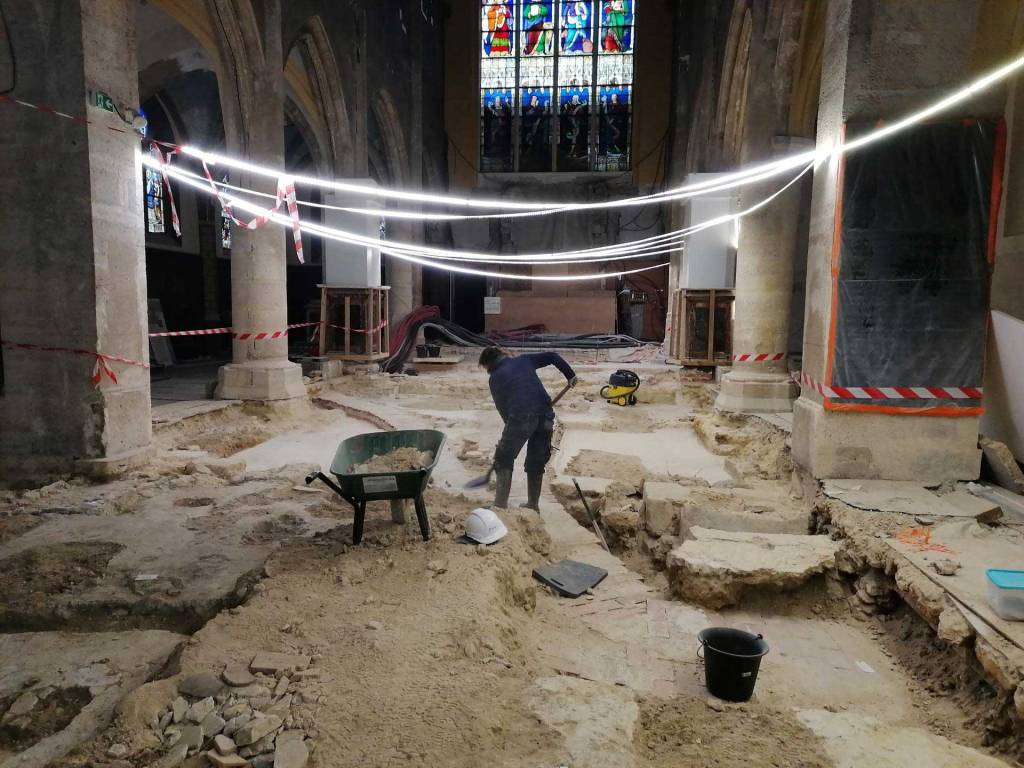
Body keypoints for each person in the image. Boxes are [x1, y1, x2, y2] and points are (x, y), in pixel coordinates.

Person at [479, 346, 577, 510]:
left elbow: (503, 409)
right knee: (536, 460)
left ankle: (500, 505)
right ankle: (533, 505)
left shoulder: (495, 378)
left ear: (488, 364)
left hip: (521, 416)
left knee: (503, 458)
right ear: (503, 354)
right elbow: (552, 355)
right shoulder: (524, 360)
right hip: (546, 414)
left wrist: (508, 436)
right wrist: (570, 375)